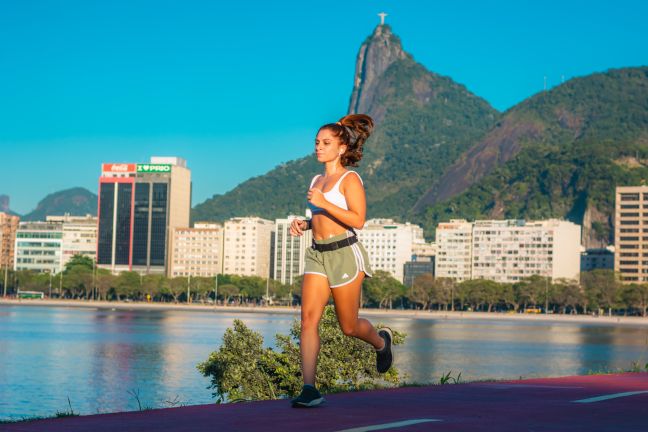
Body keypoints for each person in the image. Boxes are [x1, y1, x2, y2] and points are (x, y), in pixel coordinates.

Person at [288, 114, 393, 408]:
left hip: (345, 254)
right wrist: (305, 224)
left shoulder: (350, 179)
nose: (318, 147)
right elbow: (321, 219)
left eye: (325, 143)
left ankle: (382, 342)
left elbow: (357, 220)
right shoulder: (316, 179)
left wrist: (324, 203)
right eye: (317, 143)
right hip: (317, 254)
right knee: (308, 320)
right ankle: (309, 389)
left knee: (348, 326)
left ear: (342, 148)